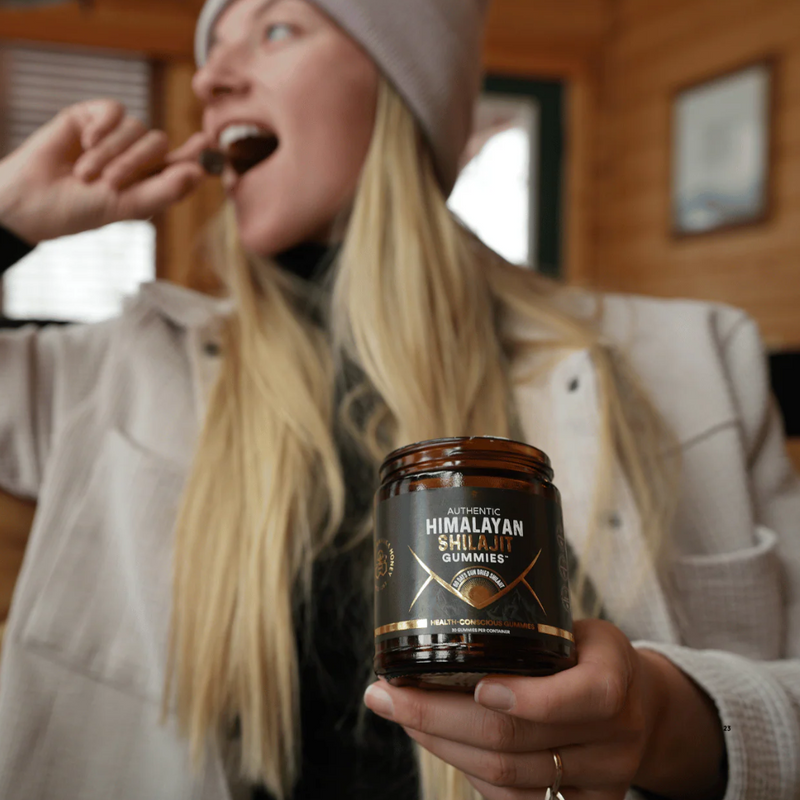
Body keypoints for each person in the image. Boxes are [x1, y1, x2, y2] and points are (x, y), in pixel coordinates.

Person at [0, 0, 798, 798]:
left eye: (276, 28)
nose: (210, 77)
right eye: (211, 51)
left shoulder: (695, 361)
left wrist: (671, 724)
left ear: (403, 89)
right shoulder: (107, 372)